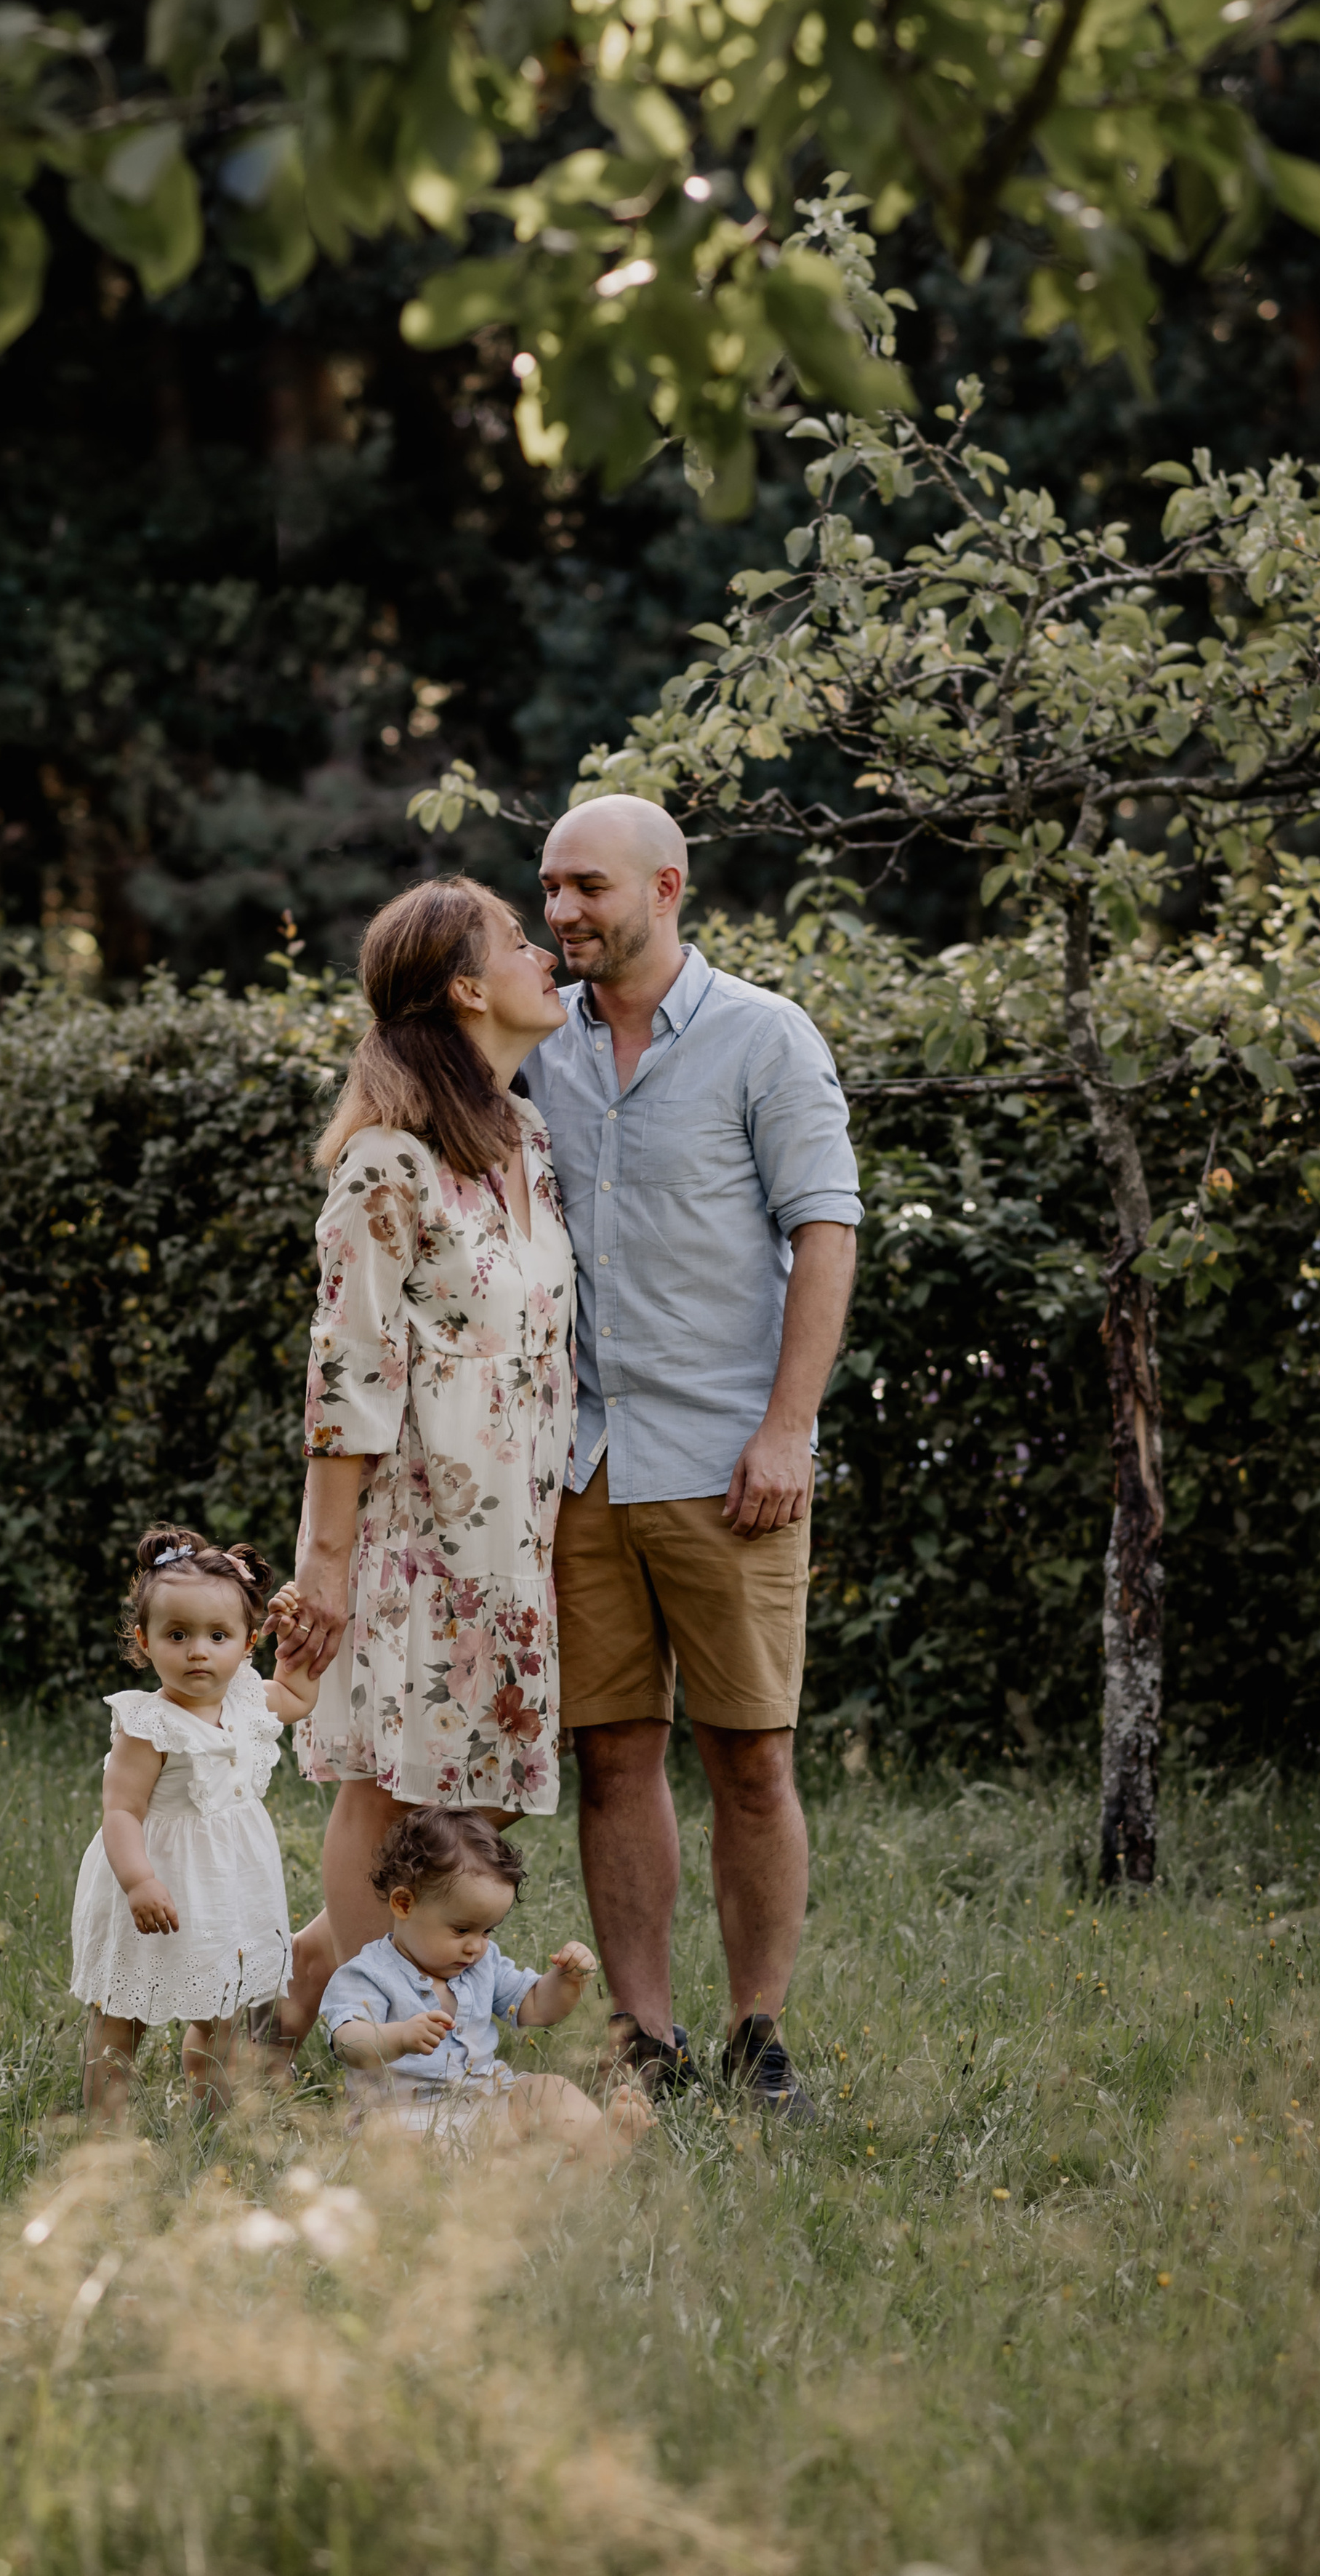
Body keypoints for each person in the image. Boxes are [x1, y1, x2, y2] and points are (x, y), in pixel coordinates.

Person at [523, 794, 862, 2120]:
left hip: (731, 1462)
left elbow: (825, 1232)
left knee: (751, 1758)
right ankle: (643, 2035)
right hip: (586, 1462)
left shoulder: (764, 1038)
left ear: (669, 886)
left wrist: (788, 1427)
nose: (561, 912)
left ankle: (757, 2032)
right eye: (549, 888)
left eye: (587, 887)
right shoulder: (534, 1042)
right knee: (612, 1755)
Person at [267, 878, 576, 1963]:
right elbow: (345, 1381)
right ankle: (375, 2049)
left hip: (515, 1543)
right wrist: (329, 1571)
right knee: (391, 1801)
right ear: (466, 987)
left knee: (475, 1809)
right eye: (517, 938)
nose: (544, 952)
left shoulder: (525, 1138)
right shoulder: (386, 1164)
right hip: (415, 1546)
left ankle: (305, 1984)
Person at [70, 1522, 321, 2120]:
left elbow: (302, 1696)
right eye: (177, 1635)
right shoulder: (148, 1724)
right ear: (145, 1640)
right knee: (120, 2017)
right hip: (154, 1883)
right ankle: (108, 2132)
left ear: (247, 1642)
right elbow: (122, 1811)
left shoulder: (249, 1700)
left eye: (218, 1635)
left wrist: (297, 1635)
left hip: (225, 1886)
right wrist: (138, 1880)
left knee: (220, 2014)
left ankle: (212, 2127)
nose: (199, 1651)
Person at [319, 1807, 654, 2153]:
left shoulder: (482, 1963)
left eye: (487, 1931)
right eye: (461, 1929)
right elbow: (348, 2042)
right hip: (406, 2115)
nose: (476, 1946)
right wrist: (399, 2036)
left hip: (489, 2101)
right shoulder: (368, 1973)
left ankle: (598, 2142)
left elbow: (535, 2006)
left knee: (547, 2090)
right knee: (395, 2139)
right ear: (404, 1904)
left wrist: (566, 1980)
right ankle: (521, 2170)